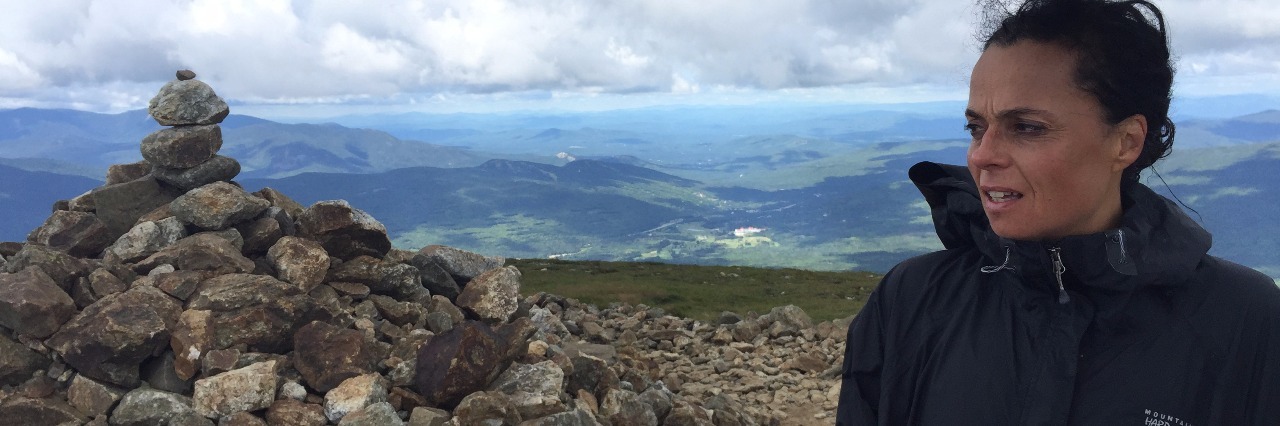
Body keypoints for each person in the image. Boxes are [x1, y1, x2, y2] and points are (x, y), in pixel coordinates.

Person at [836, 0, 1280, 424]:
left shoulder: (1246, 321)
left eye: (1027, 127)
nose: (981, 156)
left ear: (1126, 141)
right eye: (976, 127)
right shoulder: (911, 300)